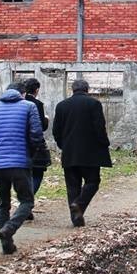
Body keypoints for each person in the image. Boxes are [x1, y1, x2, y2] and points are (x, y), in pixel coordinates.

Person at [0, 82, 44, 254]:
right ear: (22, 93)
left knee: (3, 203)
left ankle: (6, 245)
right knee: (27, 201)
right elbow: (36, 135)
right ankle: (9, 229)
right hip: (20, 162)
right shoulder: (29, 106)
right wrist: (29, 153)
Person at [52, 79, 112, 227]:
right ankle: (79, 205)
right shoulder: (94, 104)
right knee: (93, 182)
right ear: (87, 89)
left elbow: (56, 131)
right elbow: (99, 127)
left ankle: (76, 218)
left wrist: (63, 146)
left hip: (69, 152)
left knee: (72, 186)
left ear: (72, 89)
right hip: (90, 154)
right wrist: (104, 143)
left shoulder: (61, 106)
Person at [23, 77, 52, 219]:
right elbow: (41, 126)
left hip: (21, 144)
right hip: (34, 145)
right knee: (37, 173)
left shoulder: (20, 103)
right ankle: (27, 202)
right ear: (37, 90)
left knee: (26, 174)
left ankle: (25, 203)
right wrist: (46, 119)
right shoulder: (37, 104)